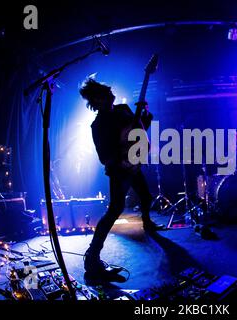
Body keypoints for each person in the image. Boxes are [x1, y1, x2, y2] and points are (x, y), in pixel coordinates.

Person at [79, 78, 165, 278]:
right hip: (120, 169)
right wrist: (124, 156)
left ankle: (147, 222)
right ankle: (92, 258)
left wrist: (145, 118)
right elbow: (104, 157)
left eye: (109, 92)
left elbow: (138, 131)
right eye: (106, 93)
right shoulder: (98, 125)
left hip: (133, 165)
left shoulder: (123, 109)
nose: (111, 94)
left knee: (145, 195)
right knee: (115, 210)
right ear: (97, 100)